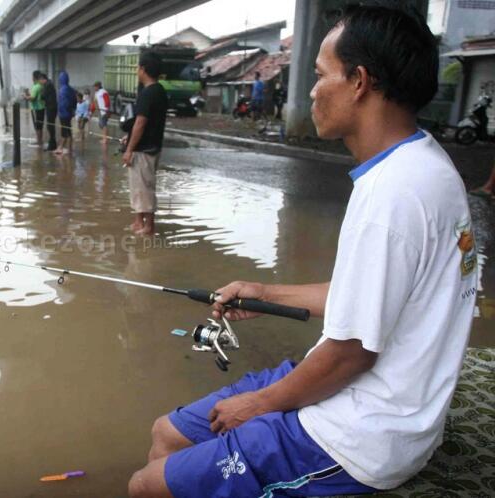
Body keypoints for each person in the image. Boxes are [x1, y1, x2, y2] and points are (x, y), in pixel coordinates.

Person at [128, 6, 477, 498]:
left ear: (359, 81)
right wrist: (263, 289)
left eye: (319, 75)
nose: (311, 91)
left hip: (360, 437)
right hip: (359, 397)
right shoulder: (422, 160)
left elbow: (350, 353)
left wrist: (260, 404)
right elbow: (372, 298)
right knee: (167, 433)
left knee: (145, 486)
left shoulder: (393, 195)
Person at [121, 51, 167, 236]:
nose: (136, 71)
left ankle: (149, 227)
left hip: (144, 149)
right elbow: (142, 124)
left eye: (138, 67)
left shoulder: (148, 93)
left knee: (145, 188)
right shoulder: (159, 91)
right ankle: (138, 221)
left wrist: (129, 149)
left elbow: (140, 122)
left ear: (144, 69)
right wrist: (129, 137)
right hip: (150, 145)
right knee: (137, 187)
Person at [56, 70, 77, 156]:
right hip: (69, 113)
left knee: (64, 132)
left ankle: (61, 148)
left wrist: (60, 112)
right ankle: (70, 149)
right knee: (68, 131)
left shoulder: (62, 90)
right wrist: (72, 110)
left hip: (63, 114)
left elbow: (62, 103)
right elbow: (74, 101)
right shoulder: (71, 89)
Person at [24, 70, 45, 147]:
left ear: (34, 77)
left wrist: (25, 97)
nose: (31, 78)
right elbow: (33, 95)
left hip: (37, 108)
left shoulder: (36, 87)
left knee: (38, 126)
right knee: (39, 125)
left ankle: (39, 141)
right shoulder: (39, 85)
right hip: (41, 108)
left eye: (32, 76)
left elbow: (33, 98)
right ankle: (40, 140)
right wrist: (28, 94)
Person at [40, 73, 58, 152]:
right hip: (52, 107)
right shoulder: (49, 84)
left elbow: (42, 96)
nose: (40, 82)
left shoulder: (47, 85)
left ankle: (52, 145)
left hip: (51, 107)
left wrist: (40, 92)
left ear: (43, 79)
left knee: (50, 126)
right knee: (50, 126)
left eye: (40, 80)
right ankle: (52, 144)